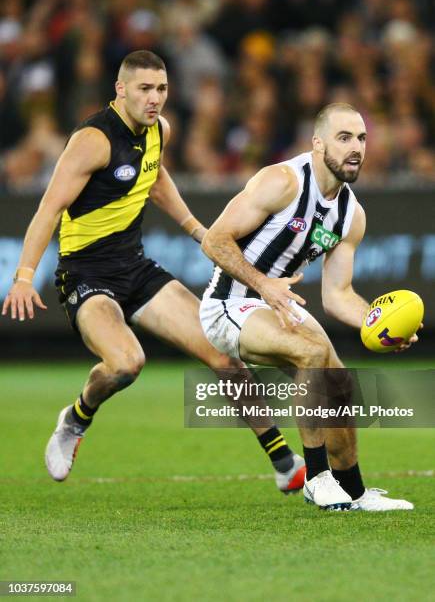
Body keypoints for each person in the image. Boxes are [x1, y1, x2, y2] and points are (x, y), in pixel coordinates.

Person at [1, 50, 306, 492]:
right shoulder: (93, 140)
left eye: (161, 89)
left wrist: (199, 232)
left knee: (224, 353)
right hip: (86, 275)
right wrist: (25, 276)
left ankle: (283, 462)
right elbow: (50, 207)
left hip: (136, 268)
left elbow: (155, 178)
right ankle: (76, 418)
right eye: (145, 88)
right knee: (126, 363)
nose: (155, 98)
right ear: (120, 90)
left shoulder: (159, 130)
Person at [200, 102, 419, 511]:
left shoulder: (352, 215)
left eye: (362, 138)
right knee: (311, 351)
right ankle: (317, 479)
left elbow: (337, 295)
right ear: (318, 143)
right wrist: (264, 284)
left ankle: (353, 492)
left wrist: (379, 323)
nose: (356, 147)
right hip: (228, 302)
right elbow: (214, 240)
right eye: (344, 137)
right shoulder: (281, 181)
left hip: (278, 304)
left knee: (339, 385)